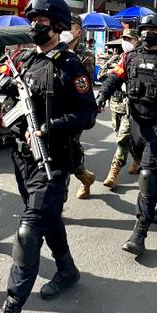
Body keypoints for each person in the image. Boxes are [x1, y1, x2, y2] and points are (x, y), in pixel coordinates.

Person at [0, 0, 98, 313]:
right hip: (22, 158)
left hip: (53, 161)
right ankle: (68, 270)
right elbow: (2, 83)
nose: (35, 25)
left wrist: (47, 128)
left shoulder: (68, 65)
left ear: (56, 25)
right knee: (47, 217)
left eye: (42, 19)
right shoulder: (25, 58)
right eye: (33, 19)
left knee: (28, 234)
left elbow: (87, 113)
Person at [97, 13, 157, 256]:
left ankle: (140, 231)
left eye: (153, 30)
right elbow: (114, 78)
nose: (147, 34)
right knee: (154, 170)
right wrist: (101, 96)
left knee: (147, 174)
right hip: (136, 123)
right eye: (144, 29)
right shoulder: (130, 57)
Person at [61, 15, 97, 199]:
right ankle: (85, 176)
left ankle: (61, 199)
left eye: (70, 27)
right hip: (54, 108)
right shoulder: (55, 48)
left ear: (78, 32)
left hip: (74, 111)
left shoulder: (85, 56)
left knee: (67, 149)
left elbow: (85, 85)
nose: (65, 31)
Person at [101, 28, 140, 189]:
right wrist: (116, 71)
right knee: (122, 136)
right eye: (124, 39)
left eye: (130, 39)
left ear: (137, 40)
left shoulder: (139, 58)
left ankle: (113, 172)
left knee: (122, 139)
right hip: (115, 104)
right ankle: (138, 158)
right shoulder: (118, 57)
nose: (126, 42)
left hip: (130, 105)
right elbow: (102, 74)